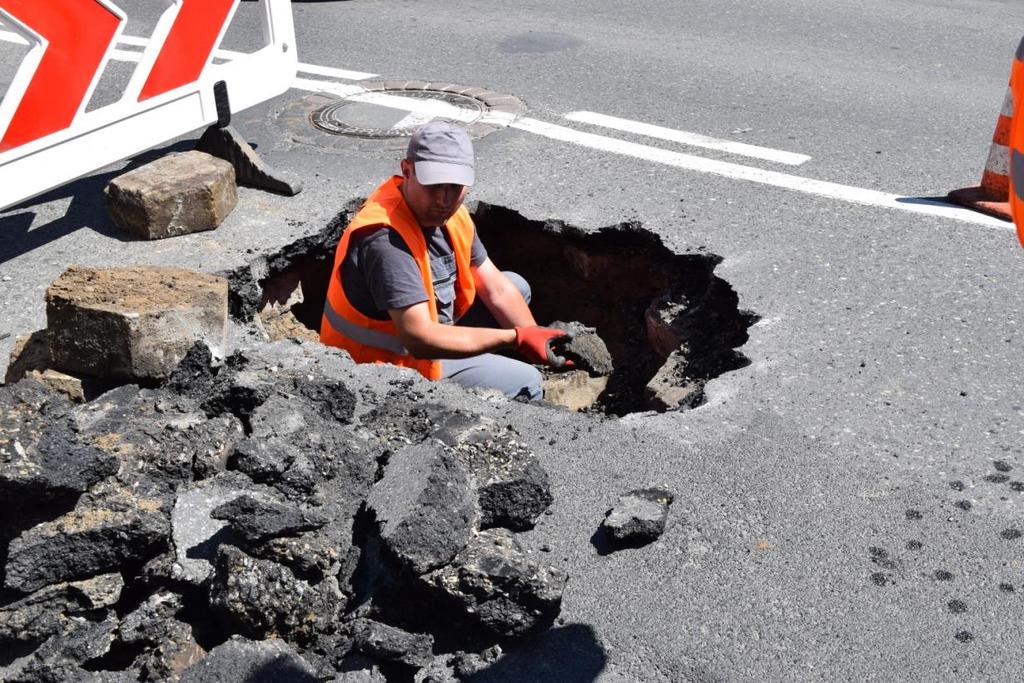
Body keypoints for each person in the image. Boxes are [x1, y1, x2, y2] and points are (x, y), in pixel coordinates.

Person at [320, 121, 569, 400]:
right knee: (529, 381)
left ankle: (495, 363)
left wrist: (535, 339)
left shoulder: (453, 215)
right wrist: (515, 339)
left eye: (454, 187)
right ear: (407, 171)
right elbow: (420, 338)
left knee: (516, 286)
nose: (443, 199)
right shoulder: (385, 240)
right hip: (384, 369)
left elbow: (496, 288)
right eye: (433, 185)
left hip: (424, 335)